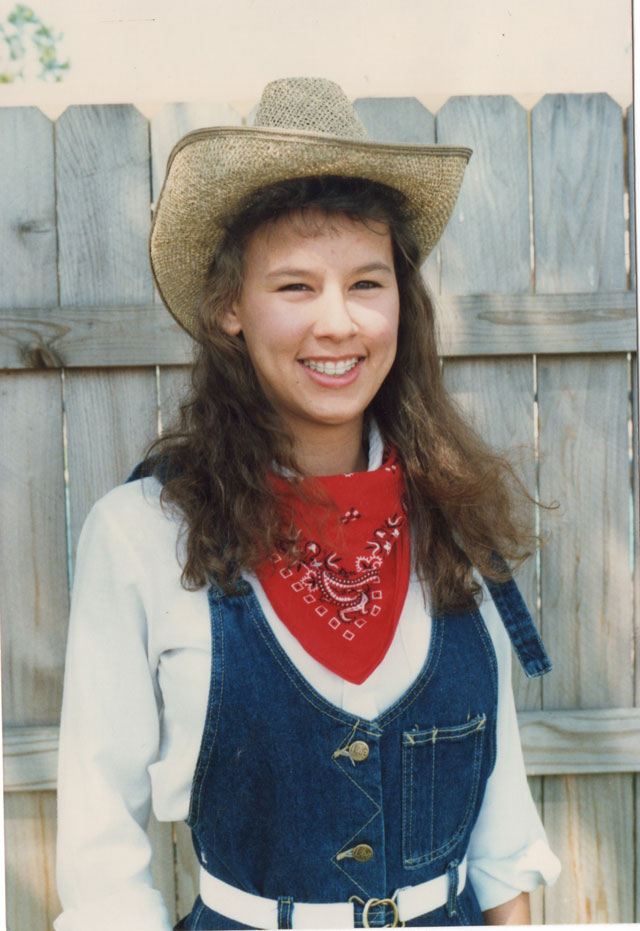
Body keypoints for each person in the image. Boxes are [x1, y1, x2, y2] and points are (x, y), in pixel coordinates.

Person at [55, 77, 561, 930]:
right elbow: (101, 856)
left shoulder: (454, 515)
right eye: (294, 287)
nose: (338, 324)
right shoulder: (142, 533)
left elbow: (501, 821)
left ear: (402, 301)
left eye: (367, 283)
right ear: (230, 308)